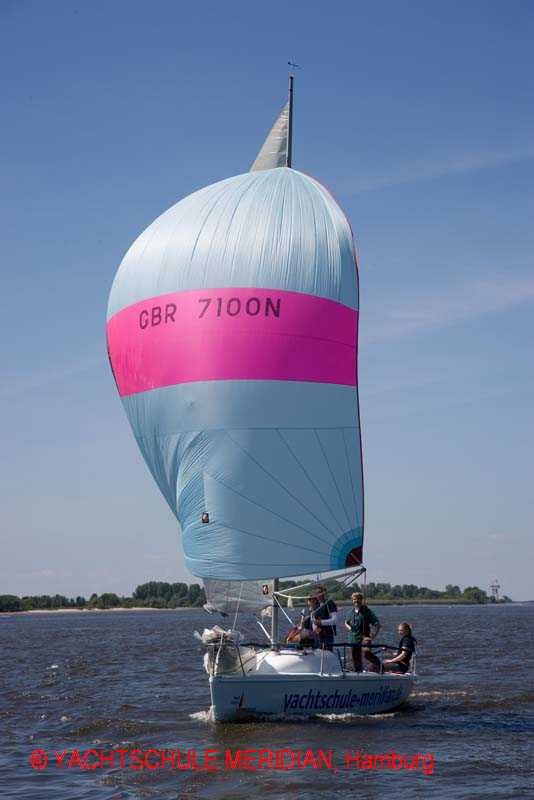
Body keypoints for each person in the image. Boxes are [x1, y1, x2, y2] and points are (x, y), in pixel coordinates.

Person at [344, 592, 381, 672]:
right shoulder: (351, 612)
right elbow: (346, 622)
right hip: (353, 639)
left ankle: (380, 667)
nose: (356, 601)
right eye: (354, 599)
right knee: (355, 658)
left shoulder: (367, 611)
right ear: (352, 600)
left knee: (366, 654)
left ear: (361, 600)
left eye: (358, 599)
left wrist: (372, 636)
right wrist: (350, 628)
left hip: (364, 639)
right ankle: (358, 672)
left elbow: (377, 624)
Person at [313, 585, 338, 651]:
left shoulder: (329, 603)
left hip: (328, 635)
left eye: (320, 592)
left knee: (328, 652)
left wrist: (321, 622)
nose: (318, 595)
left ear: (324, 593)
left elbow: (334, 620)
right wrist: (315, 628)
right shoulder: (316, 606)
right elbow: (314, 620)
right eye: (317, 593)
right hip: (319, 635)